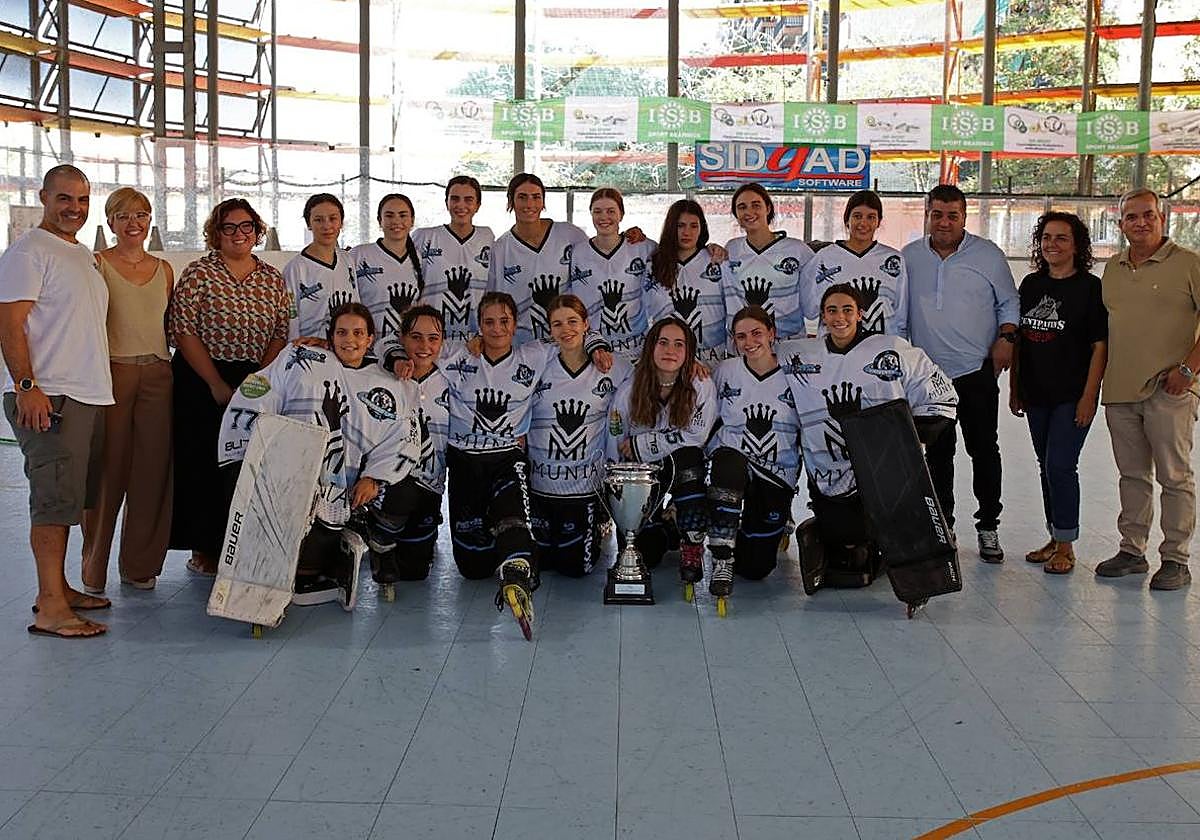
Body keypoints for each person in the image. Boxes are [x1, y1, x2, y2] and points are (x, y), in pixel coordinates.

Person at [218, 302, 422, 605]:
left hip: (339, 486)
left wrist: (374, 478)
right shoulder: (301, 358)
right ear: (329, 336)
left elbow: (403, 439)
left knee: (313, 554)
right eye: (341, 332)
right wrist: (247, 447)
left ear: (370, 339)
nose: (349, 340)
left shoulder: (392, 384)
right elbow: (261, 389)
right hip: (288, 470)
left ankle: (340, 549)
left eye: (357, 333)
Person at [439, 292, 611, 626]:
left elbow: (573, 336)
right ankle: (492, 540)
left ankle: (518, 572)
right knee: (472, 570)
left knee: (514, 517)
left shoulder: (533, 354)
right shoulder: (460, 355)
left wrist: (597, 346)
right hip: (464, 460)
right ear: (479, 325)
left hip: (507, 458)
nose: (497, 328)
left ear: (516, 325)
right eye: (488, 322)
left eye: (504, 321)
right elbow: (419, 351)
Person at [781, 284, 956, 587]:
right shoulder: (802, 355)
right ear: (822, 316)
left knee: (880, 538)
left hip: (884, 473)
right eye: (831, 310)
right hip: (830, 472)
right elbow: (757, 358)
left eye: (847, 309)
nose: (839, 317)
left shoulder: (892, 349)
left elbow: (942, 399)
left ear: (860, 313)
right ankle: (827, 532)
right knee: (847, 547)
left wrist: (899, 442)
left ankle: (887, 545)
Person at [0, 164, 112, 637]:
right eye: (65, 198)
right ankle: (50, 607)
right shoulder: (28, 251)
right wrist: (27, 387)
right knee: (51, 500)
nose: (75, 208)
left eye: (83, 200)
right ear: (44, 197)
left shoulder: (81, 254)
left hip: (84, 395)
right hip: (50, 395)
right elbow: (9, 322)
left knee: (69, 499)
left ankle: (59, 588)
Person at [167, 197, 291, 576]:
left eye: (246, 227)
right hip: (201, 379)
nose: (239, 234)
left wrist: (256, 382)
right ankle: (205, 548)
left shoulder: (271, 277)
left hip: (252, 377)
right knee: (201, 463)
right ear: (215, 233)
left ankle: (242, 543)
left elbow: (279, 331)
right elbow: (183, 330)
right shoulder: (199, 273)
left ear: (257, 231)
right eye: (229, 227)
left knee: (245, 464)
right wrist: (216, 383)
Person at [903, 183, 1018, 562]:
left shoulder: (987, 255)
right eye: (937, 214)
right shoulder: (909, 257)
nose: (944, 222)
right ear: (927, 215)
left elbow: (1009, 302)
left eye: (953, 215)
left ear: (964, 217)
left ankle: (988, 527)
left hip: (975, 372)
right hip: (928, 379)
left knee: (984, 450)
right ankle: (944, 527)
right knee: (937, 455)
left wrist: (1007, 338)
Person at [1097, 188, 1200, 590]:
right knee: (1132, 475)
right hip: (1121, 390)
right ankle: (1132, 550)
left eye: (1149, 216)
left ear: (1162, 219)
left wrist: (1188, 373)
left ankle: (1176, 558)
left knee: (1175, 477)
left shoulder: (1189, 264)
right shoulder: (1114, 269)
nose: (1141, 223)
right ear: (1120, 223)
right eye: (1132, 217)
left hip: (1169, 390)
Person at [80, 187, 174, 594]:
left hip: (158, 373)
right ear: (111, 223)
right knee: (107, 471)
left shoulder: (165, 269)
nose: (134, 223)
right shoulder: (96, 264)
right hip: (114, 374)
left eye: (141, 214)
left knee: (152, 473)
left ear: (150, 220)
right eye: (124, 216)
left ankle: (139, 565)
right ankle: (93, 565)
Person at [1009, 212, 1107, 575]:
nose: (1052, 244)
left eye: (1061, 238)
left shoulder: (1089, 288)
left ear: (1077, 245)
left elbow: (1100, 346)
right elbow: (1020, 339)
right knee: (1046, 466)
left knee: (1061, 465)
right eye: (1047, 238)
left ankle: (1066, 544)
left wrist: (1089, 396)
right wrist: (1015, 386)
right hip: (1037, 394)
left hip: (1071, 395)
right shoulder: (1032, 285)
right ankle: (1054, 536)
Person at [608, 316, 717, 595]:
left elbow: (695, 437)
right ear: (651, 347)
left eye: (679, 344)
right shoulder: (631, 387)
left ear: (688, 352)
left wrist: (642, 443)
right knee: (648, 554)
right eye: (663, 342)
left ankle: (692, 542)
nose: (670, 350)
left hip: (679, 466)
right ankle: (669, 523)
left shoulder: (700, 383)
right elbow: (617, 440)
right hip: (642, 474)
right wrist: (619, 493)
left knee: (689, 457)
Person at [528, 295, 631, 577]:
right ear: (549, 329)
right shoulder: (539, 365)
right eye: (557, 324)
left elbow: (644, 387)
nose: (566, 329)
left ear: (587, 324)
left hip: (583, 488)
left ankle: (599, 519)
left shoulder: (613, 367)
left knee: (575, 569)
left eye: (573, 321)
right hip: (541, 485)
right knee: (543, 564)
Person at [706, 306, 802, 599]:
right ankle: (722, 553)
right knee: (728, 461)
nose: (749, 342)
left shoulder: (796, 374)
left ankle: (775, 521)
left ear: (772, 333)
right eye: (741, 336)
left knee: (754, 569)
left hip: (776, 473)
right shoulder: (725, 371)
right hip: (735, 462)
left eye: (757, 333)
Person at [376, 304, 449, 582]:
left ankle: (396, 541)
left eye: (433, 338)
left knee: (415, 572)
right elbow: (381, 344)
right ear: (401, 338)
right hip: (391, 484)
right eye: (415, 337)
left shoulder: (450, 375)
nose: (425, 346)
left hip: (431, 487)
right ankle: (377, 532)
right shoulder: (383, 376)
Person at [488, 173, 589, 345]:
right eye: (522, 197)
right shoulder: (500, 249)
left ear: (543, 202)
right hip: (523, 345)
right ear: (511, 201)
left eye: (536, 197)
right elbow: (493, 302)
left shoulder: (571, 235)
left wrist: (628, 237)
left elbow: (599, 256)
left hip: (567, 342)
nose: (530, 204)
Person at [800, 189, 909, 338]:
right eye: (857, 216)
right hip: (834, 350)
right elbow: (810, 310)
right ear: (847, 220)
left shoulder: (893, 259)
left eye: (871, 217)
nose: (863, 223)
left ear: (878, 222)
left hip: (880, 349)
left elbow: (900, 313)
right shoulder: (825, 258)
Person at [568, 187, 657, 362]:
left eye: (611, 211)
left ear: (621, 214)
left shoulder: (643, 247)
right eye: (597, 211)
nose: (603, 217)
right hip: (595, 351)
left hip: (637, 351)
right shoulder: (577, 253)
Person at [410, 176, 493, 353]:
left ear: (478, 205)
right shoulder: (424, 237)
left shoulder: (487, 238)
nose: (461, 205)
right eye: (455, 199)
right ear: (446, 202)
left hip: (473, 343)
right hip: (430, 343)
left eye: (468, 199)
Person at [722, 183, 813, 344]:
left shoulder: (798, 250)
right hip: (745, 346)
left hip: (788, 346)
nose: (749, 212)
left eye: (756, 205)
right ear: (736, 213)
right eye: (742, 207)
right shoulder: (732, 248)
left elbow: (814, 301)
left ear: (768, 208)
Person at [646, 199, 729, 364]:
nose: (687, 232)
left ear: (702, 228)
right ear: (671, 227)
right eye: (680, 225)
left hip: (711, 359)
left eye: (693, 226)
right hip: (670, 359)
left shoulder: (716, 260)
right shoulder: (654, 264)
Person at [348, 193, 424, 345]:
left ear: (412, 221)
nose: (396, 221)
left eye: (403, 215)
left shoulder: (421, 259)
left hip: (406, 350)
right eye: (389, 216)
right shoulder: (359, 255)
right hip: (366, 349)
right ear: (379, 221)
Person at [282, 193, 356, 341]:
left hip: (345, 347)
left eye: (333, 218)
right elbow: (291, 318)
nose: (327, 225)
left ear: (341, 222)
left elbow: (356, 306)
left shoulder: (348, 259)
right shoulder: (295, 268)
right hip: (311, 349)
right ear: (309, 224)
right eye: (318, 220)